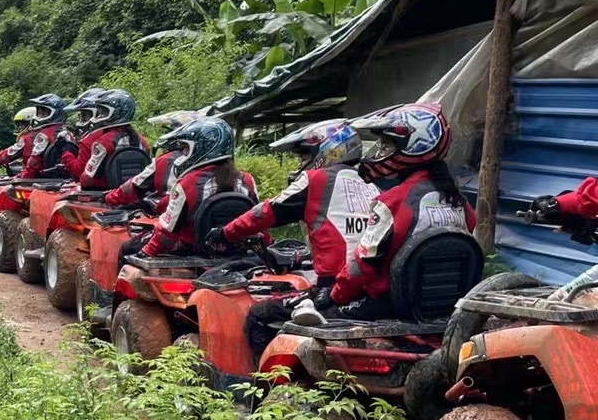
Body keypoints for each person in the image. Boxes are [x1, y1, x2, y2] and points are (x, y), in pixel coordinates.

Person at [205, 119, 378, 356]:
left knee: (258, 317)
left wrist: (225, 233)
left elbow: (263, 214)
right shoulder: (372, 184)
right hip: (373, 289)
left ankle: (259, 389)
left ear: (327, 150)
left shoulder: (317, 180)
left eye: (304, 155)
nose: (302, 163)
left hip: (335, 288)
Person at [295, 103, 476, 324]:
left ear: (413, 147)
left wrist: (334, 295)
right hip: (443, 306)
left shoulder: (392, 202)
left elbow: (361, 266)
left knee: (276, 318)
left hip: (387, 305)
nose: (379, 152)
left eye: (386, 144)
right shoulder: (459, 202)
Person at [136, 117, 258, 259]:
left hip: (193, 252)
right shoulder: (247, 180)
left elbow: (168, 231)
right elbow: (257, 221)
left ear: (201, 148)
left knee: (127, 249)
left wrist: (147, 251)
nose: (184, 154)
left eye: (187, 149)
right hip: (238, 253)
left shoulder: (188, 183)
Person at [102, 110, 200, 209]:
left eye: (169, 131)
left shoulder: (165, 160)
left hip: (165, 212)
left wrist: (108, 198)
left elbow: (134, 187)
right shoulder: (210, 164)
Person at [59, 88, 148, 190]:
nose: (100, 116)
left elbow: (88, 178)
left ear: (115, 114)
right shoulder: (142, 141)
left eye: (104, 112)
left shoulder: (103, 142)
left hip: (104, 192)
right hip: (135, 192)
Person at [20, 93, 76, 178]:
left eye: (44, 113)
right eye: (40, 112)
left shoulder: (43, 135)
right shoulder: (69, 133)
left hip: (45, 180)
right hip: (68, 179)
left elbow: (34, 161)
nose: (40, 116)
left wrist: (24, 177)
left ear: (55, 114)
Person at [0, 106, 37, 173]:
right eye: (19, 125)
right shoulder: (42, 135)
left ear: (32, 123)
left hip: (32, 175)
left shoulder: (26, 139)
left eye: (22, 124)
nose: (20, 128)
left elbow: (9, 154)